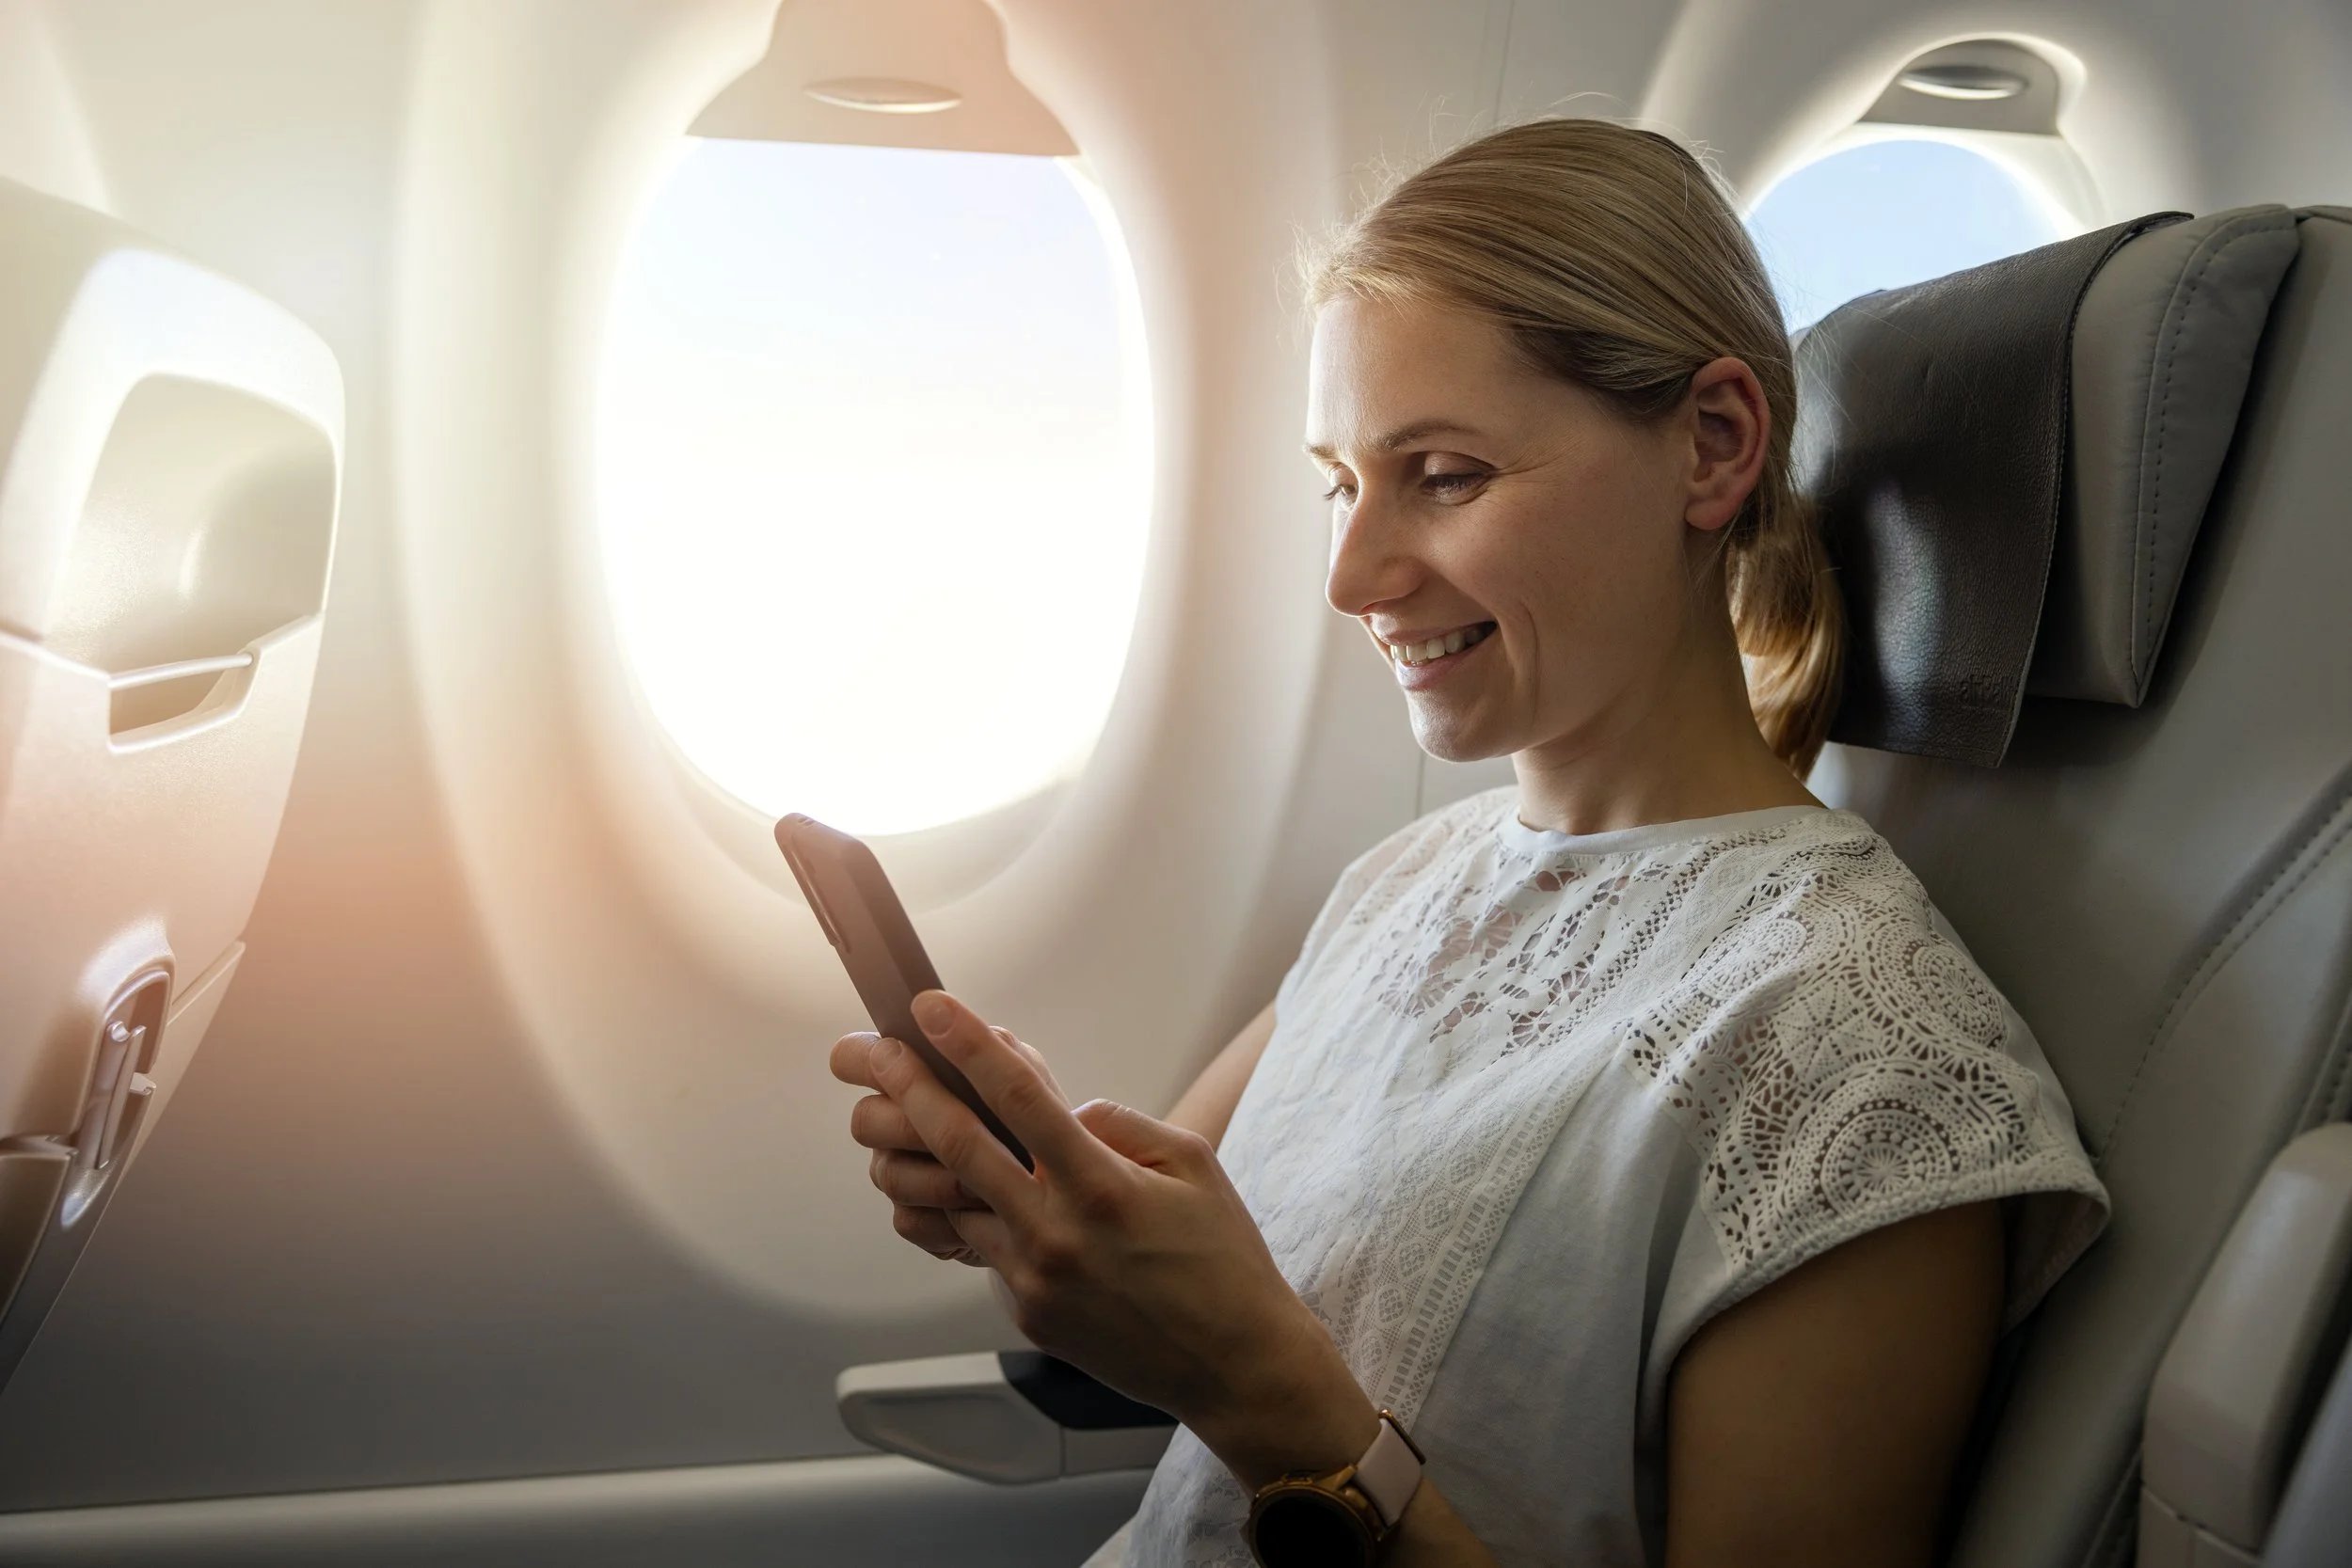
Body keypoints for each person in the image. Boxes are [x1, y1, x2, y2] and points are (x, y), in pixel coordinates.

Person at [830, 118, 2106, 1568]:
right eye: (1338, 479)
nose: (1353, 573)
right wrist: (1020, 1212)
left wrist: (1270, 1402)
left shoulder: (1866, 1069)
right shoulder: (1409, 880)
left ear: (1713, 445)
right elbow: (1148, 1299)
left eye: (1440, 473)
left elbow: (1238, 1367)